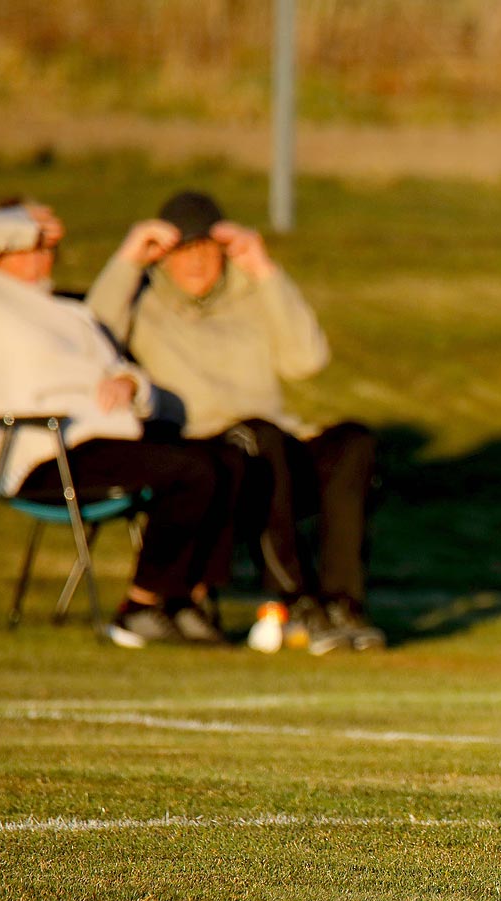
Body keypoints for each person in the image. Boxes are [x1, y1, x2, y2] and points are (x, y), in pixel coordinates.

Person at [0, 201, 240, 648]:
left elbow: (123, 370)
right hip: (46, 453)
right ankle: (141, 605)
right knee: (192, 471)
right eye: (30, 247)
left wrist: (131, 384)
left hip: (113, 439)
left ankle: (185, 599)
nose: (43, 258)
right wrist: (21, 221)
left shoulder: (71, 312)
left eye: (49, 248)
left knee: (228, 456)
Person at [87, 190, 384, 654]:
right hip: (208, 451)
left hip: (276, 443)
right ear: (163, 257)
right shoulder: (142, 299)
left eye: (207, 248)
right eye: (184, 250)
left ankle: (343, 605)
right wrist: (128, 258)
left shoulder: (249, 293)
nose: (197, 262)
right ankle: (294, 600)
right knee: (260, 438)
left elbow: (307, 359)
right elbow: (92, 338)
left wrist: (264, 270)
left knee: (353, 442)